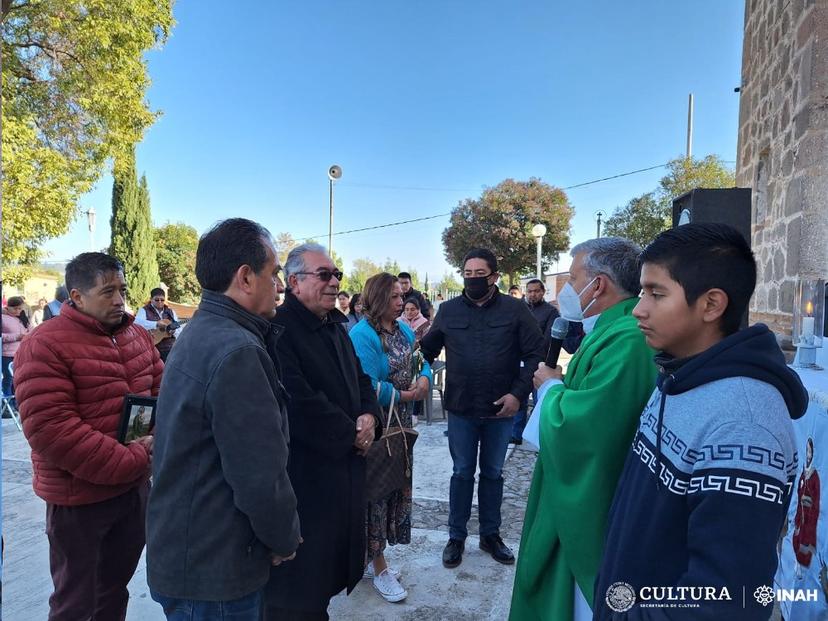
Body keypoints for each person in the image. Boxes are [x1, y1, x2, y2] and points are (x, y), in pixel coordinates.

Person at [593, 224, 806, 620]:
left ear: (711, 305)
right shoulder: (678, 374)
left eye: (657, 294)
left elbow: (723, 602)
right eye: (642, 291)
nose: (639, 308)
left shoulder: (745, 423)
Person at [147, 218, 300, 620]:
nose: (280, 286)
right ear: (246, 278)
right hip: (213, 569)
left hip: (193, 555)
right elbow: (258, 475)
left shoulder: (205, 331)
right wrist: (284, 537)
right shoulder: (236, 350)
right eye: (274, 274)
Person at [510, 237, 657, 621]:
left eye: (573, 278)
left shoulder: (627, 338)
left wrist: (550, 389)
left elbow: (590, 426)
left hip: (591, 498)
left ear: (600, 284)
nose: (567, 290)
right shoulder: (611, 329)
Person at [13, 252, 161, 621]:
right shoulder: (45, 343)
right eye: (107, 291)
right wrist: (134, 459)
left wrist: (154, 442)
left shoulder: (137, 336)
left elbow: (163, 394)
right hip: (79, 500)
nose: (119, 299)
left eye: (122, 290)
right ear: (76, 296)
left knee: (113, 591)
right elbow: (51, 429)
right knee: (76, 600)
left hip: (132, 492)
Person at [263, 243, 382, 620]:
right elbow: (298, 400)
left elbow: (361, 379)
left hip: (342, 474)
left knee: (325, 576)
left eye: (337, 275)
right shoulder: (280, 329)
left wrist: (369, 417)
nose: (334, 283)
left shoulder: (335, 324)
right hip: (306, 478)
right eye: (324, 275)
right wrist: (351, 433)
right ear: (293, 282)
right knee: (298, 588)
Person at [419, 248, 544, 569]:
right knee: (462, 473)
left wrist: (518, 395)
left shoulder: (515, 310)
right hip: (461, 409)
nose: (473, 280)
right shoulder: (447, 311)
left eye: (480, 274)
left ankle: (490, 535)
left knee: (493, 473)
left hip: (500, 411)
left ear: (494, 277)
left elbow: (535, 354)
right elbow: (427, 352)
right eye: (468, 274)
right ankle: (456, 536)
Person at [349, 273, 432, 604]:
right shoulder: (363, 334)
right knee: (377, 493)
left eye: (402, 296)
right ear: (379, 298)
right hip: (378, 424)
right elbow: (366, 385)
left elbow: (419, 359)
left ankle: (375, 558)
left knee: (396, 485)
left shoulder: (404, 329)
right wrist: (406, 392)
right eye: (396, 297)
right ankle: (378, 565)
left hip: (401, 420)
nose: (403, 302)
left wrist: (424, 381)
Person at [510, 279, 562, 445]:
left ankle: (542, 437)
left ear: (543, 292)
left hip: (541, 364)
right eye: (529, 291)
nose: (532, 294)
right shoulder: (520, 309)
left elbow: (546, 340)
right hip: (518, 361)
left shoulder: (550, 312)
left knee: (541, 401)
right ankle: (516, 434)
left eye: (536, 291)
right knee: (519, 398)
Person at [135, 287, 180, 362]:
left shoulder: (171, 312)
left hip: (169, 349)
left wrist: (174, 332)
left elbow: (179, 330)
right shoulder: (144, 310)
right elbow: (136, 323)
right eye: (157, 300)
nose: (159, 302)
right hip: (151, 348)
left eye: (162, 300)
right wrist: (156, 324)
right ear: (151, 299)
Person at [2, 297, 30, 408]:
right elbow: (2, 337)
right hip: (6, 354)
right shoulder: (3, 318)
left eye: (20, 309)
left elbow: (29, 330)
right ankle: (6, 405)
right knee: (8, 379)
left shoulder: (22, 318)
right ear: (8, 306)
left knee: (18, 380)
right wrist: (16, 337)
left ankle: (17, 404)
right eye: (16, 309)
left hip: (20, 353)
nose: (18, 311)